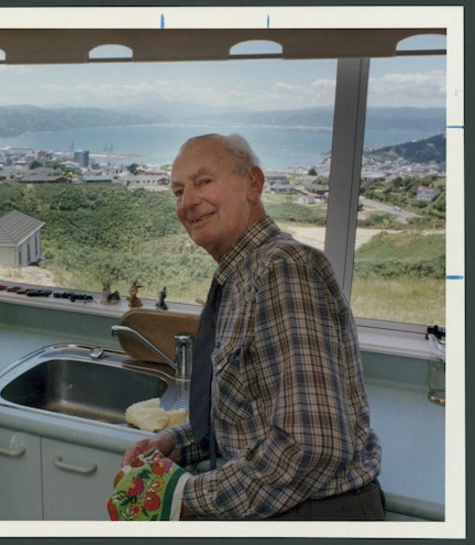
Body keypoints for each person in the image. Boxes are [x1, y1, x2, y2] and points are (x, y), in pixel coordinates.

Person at [121, 133, 384, 520]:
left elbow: (308, 448)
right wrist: (176, 443)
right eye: (177, 190)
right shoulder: (242, 275)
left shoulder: (282, 268)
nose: (187, 202)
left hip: (313, 514)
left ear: (254, 184)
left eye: (204, 181)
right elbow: (249, 419)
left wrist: (183, 495)